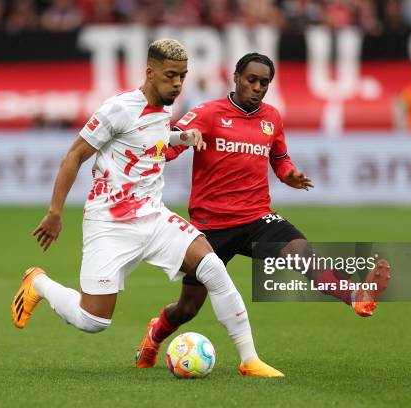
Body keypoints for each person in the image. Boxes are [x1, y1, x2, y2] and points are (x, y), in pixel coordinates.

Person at [10, 40, 283, 378]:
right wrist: (55, 211)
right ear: (149, 73)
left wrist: (180, 139)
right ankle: (39, 283)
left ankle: (249, 360)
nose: (178, 84)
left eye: (183, 76)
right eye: (171, 76)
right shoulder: (119, 108)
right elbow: (74, 156)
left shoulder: (164, 107)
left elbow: (147, 140)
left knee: (212, 267)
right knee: (93, 321)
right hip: (110, 223)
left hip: (154, 216)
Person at [134, 52, 391, 369]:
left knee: (301, 252)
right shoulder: (208, 113)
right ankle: (155, 335)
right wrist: (166, 147)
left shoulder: (272, 118)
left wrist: (289, 174)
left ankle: (355, 296)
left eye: (264, 83)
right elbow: (169, 146)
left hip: (257, 217)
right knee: (187, 309)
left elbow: (280, 158)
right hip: (211, 226)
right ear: (237, 78)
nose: (257, 87)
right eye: (251, 80)